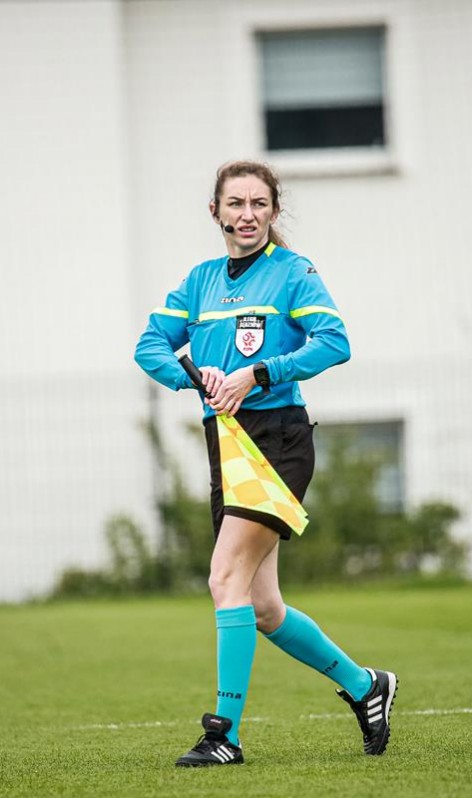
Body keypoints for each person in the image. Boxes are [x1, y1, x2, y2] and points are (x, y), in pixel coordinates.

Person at [134, 160, 398, 767]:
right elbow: (149, 344)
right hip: (226, 443)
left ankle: (223, 734)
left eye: (259, 203)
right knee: (263, 607)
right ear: (216, 212)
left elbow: (334, 343)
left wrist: (259, 373)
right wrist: (196, 377)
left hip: (278, 439)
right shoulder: (200, 281)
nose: (247, 214)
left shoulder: (293, 272)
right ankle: (366, 686)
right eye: (236, 203)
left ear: (274, 211)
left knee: (223, 576)